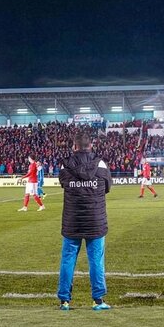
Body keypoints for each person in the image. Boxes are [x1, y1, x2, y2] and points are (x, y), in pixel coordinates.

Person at [57, 132, 112, 310]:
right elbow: (107, 187)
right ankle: (98, 300)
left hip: (72, 221)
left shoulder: (66, 166)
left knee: (68, 259)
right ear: (91, 146)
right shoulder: (100, 164)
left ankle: (64, 301)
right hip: (95, 220)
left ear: (75, 146)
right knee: (96, 260)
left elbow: (64, 183)